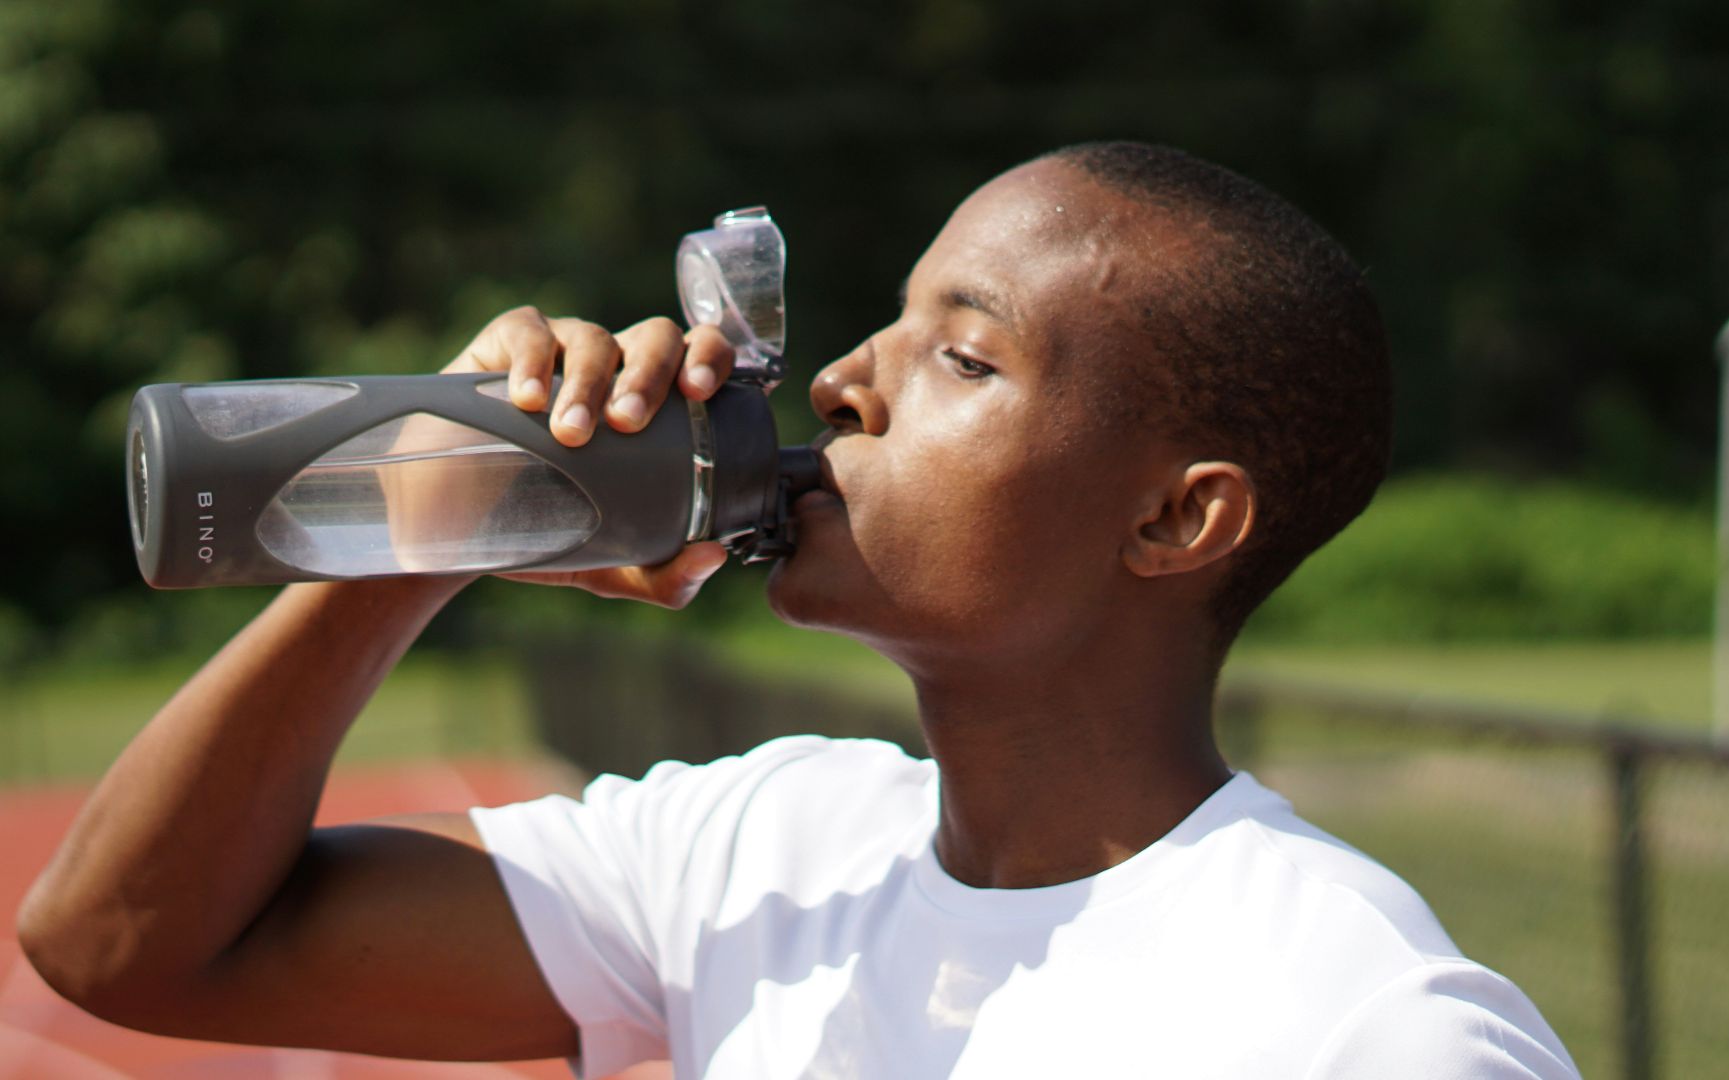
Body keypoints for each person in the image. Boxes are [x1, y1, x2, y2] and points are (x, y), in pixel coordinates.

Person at [19, 142, 1580, 1078]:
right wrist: (439, 508)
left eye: (962, 357)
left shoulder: (1361, 1024)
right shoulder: (764, 850)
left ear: (1178, 518)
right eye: (888, 323)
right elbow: (124, 941)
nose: (839, 381)